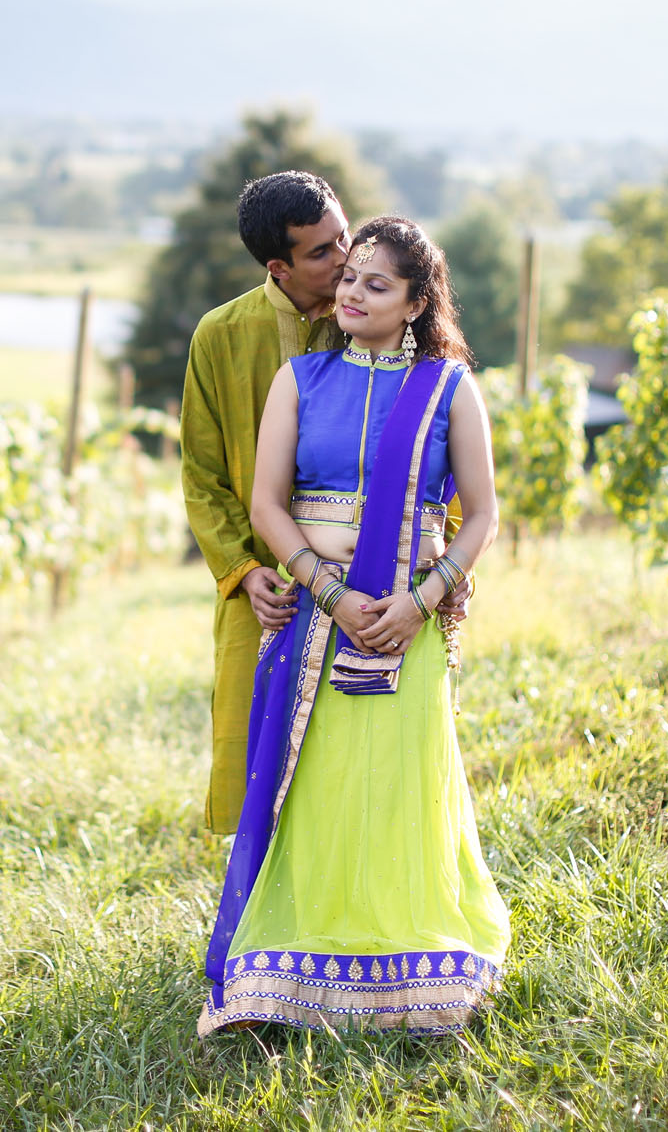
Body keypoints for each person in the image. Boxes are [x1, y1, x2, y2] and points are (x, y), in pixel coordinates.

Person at [198, 215, 509, 1036]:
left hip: (409, 623)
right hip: (316, 615)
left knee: (397, 783)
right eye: (347, 279)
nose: (351, 292)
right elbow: (268, 503)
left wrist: (424, 596)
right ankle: (297, 950)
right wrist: (331, 594)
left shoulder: (448, 388)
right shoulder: (301, 378)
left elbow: (482, 515)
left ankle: (407, 955)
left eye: (376, 283)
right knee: (318, 788)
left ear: (415, 302)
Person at [180, 170, 352, 834]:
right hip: (267, 589)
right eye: (322, 252)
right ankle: (261, 914)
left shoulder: (378, 319)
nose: (344, 260)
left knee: (353, 753)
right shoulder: (220, 336)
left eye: (345, 237)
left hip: (364, 578)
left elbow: (433, 442)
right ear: (278, 267)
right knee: (256, 751)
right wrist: (246, 573)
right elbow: (200, 472)